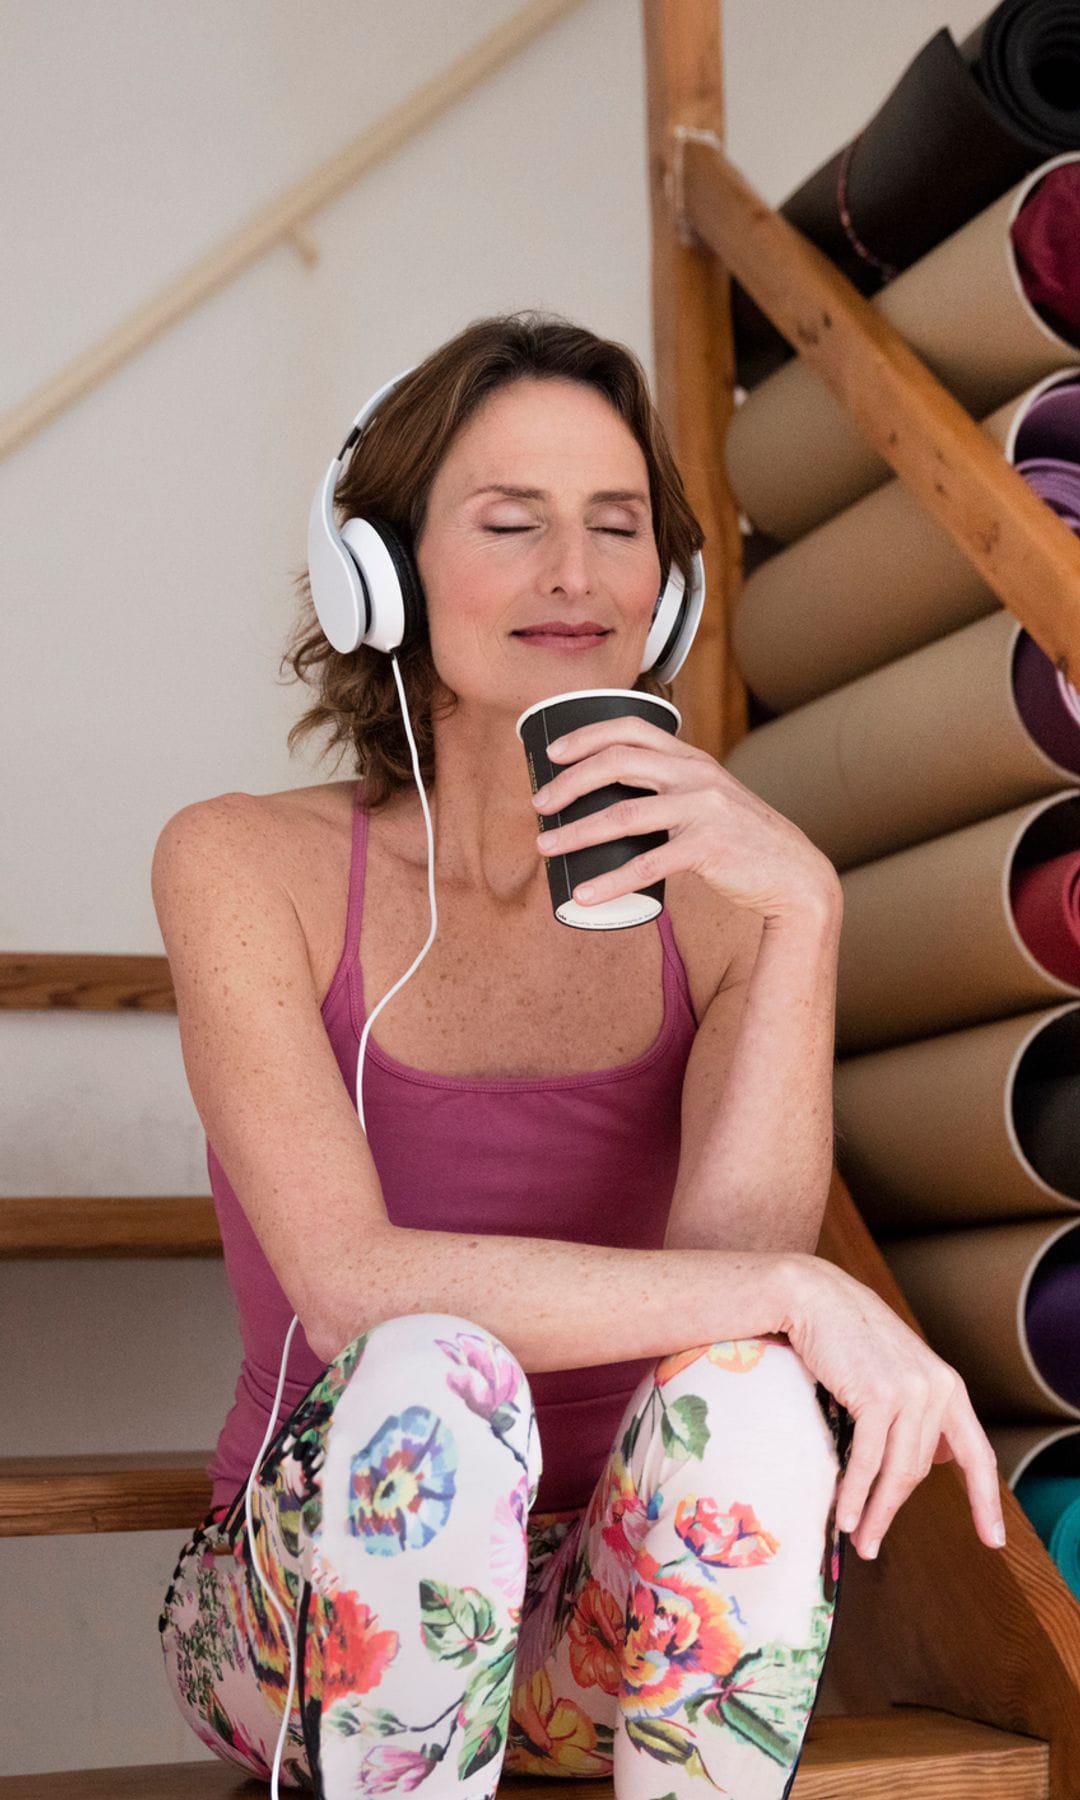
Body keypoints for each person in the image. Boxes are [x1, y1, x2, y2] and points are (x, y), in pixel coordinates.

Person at [153, 312, 1005, 1800]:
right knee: (436, 1371)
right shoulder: (243, 864)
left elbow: (718, 1297)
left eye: (619, 529)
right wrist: (808, 1295)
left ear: (666, 595)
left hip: (602, 1628)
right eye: (512, 523)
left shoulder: (730, 908)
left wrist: (805, 917)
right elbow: (353, 1286)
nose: (576, 575)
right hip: (309, 1607)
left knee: (746, 1389)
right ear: (382, 572)